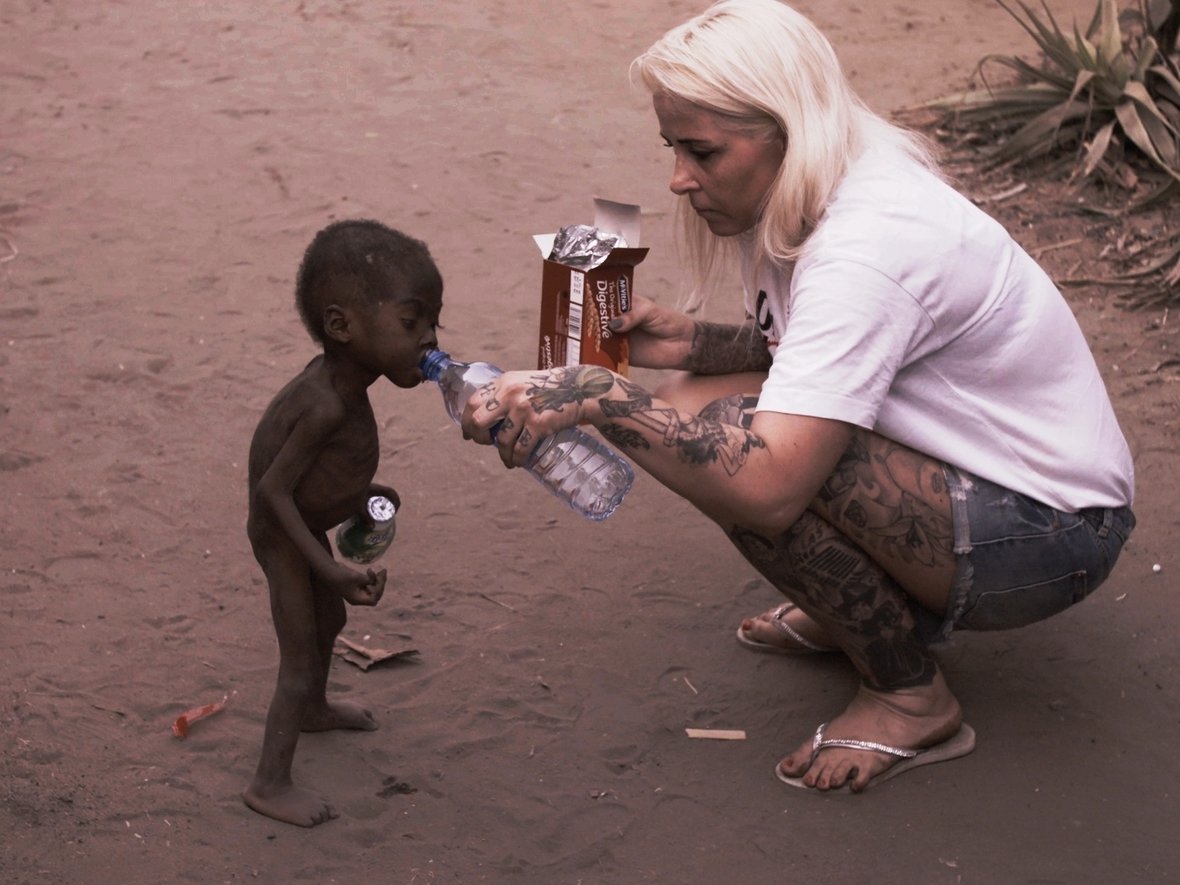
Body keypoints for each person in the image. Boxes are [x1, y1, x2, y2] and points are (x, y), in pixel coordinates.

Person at [458, 0, 1135, 792]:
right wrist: (686, 341)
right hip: (987, 476)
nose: (678, 178)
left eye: (702, 151)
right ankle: (867, 595)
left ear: (787, 131)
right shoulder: (824, 174)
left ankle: (909, 695)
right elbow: (819, 350)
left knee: (723, 436)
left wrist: (601, 393)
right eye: (673, 146)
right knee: (693, 390)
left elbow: (773, 486)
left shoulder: (868, 246)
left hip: (1052, 533)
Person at [244, 219, 442, 825]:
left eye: (434, 323)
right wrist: (327, 566)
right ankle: (269, 784)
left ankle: (316, 710)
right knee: (299, 657)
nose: (429, 340)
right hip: (284, 537)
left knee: (329, 619)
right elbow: (274, 493)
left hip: (307, 522)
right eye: (412, 323)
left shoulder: (348, 382)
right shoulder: (325, 402)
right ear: (341, 325)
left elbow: (317, 475)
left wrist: (359, 495)